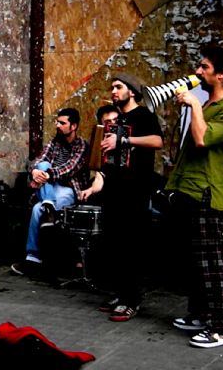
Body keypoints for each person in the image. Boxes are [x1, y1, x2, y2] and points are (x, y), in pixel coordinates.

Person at [165, 47, 223, 348]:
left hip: (208, 193)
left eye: (204, 67)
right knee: (196, 260)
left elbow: (202, 140)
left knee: (214, 262)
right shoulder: (209, 102)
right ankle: (201, 314)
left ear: (221, 73)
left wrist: (195, 107)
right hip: (189, 190)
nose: (198, 72)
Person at [91, 73, 163, 322]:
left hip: (135, 190)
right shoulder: (117, 119)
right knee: (114, 246)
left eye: (118, 87)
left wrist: (124, 140)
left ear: (131, 91)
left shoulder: (143, 115)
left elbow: (157, 141)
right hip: (115, 190)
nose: (113, 91)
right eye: (112, 87)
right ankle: (121, 296)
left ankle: (132, 301)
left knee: (131, 247)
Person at [11, 108, 89, 278]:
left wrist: (47, 175)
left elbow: (70, 168)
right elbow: (37, 161)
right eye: (57, 122)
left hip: (68, 190)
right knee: (43, 165)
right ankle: (49, 207)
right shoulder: (54, 143)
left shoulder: (81, 145)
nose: (57, 125)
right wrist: (34, 173)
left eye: (62, 123)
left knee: (37, 209)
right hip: (49, 189)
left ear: (73, 126)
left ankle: (32, 260)